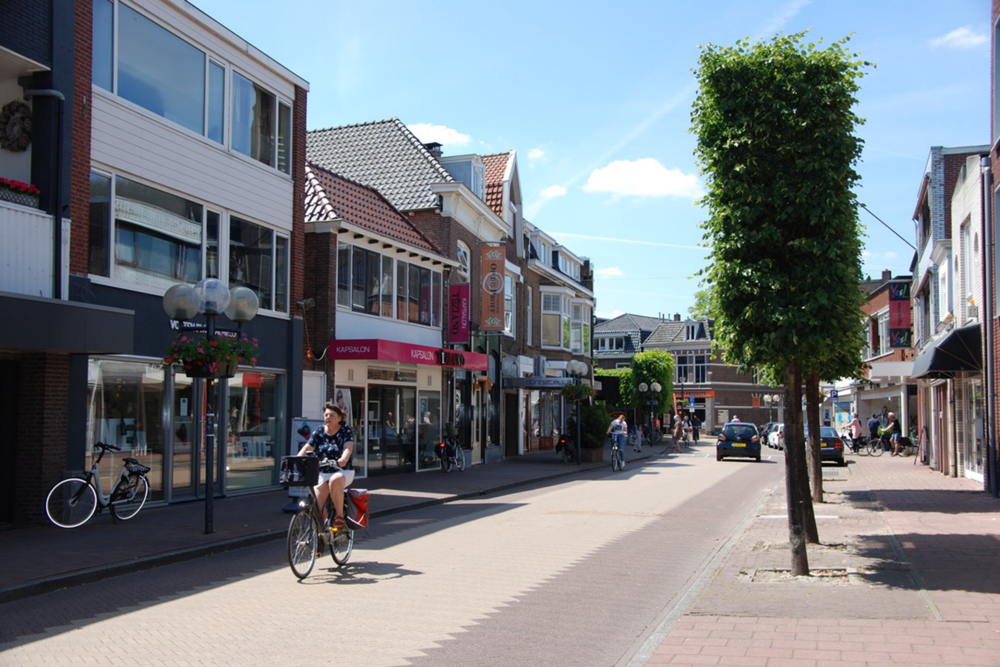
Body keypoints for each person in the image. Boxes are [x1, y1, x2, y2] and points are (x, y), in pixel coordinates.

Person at [296, 401, 355, 529]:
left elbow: (348, 447)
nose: (328, 417)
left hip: (342, 470)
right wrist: (298, 459)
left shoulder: (346, 430)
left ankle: (339, 517)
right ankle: (318, 538)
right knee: (316, 506)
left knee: (334, 481)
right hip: (323, 472)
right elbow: (307, 448)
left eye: (331, 415)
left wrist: (343, 459)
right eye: (326, 415)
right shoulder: (319, 431)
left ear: (339, 418)